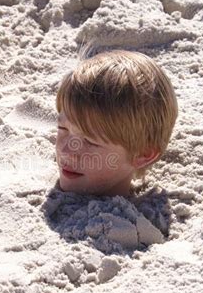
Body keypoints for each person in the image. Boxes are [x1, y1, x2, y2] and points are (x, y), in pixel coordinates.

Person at [55, 50, 178, 197]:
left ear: (142, 154)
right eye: (63, 129)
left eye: (89, 141)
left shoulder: (134, 220)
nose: (66, 152)